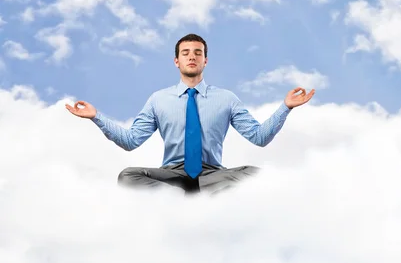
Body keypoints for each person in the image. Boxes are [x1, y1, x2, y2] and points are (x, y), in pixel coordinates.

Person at [65, 33, 315, 195]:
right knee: (128, 176)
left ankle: (191, 193)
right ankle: (189, 194)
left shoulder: (226, 99)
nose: (192, 57)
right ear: (177, 61)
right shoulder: (158, 99)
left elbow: (259, 137)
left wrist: (286, 107)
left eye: (198, 53)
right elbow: (131, 141)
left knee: (257, 175)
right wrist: (96, 117)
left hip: (213, 173)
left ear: (206, 60)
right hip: (172, 174)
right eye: (186, 53)